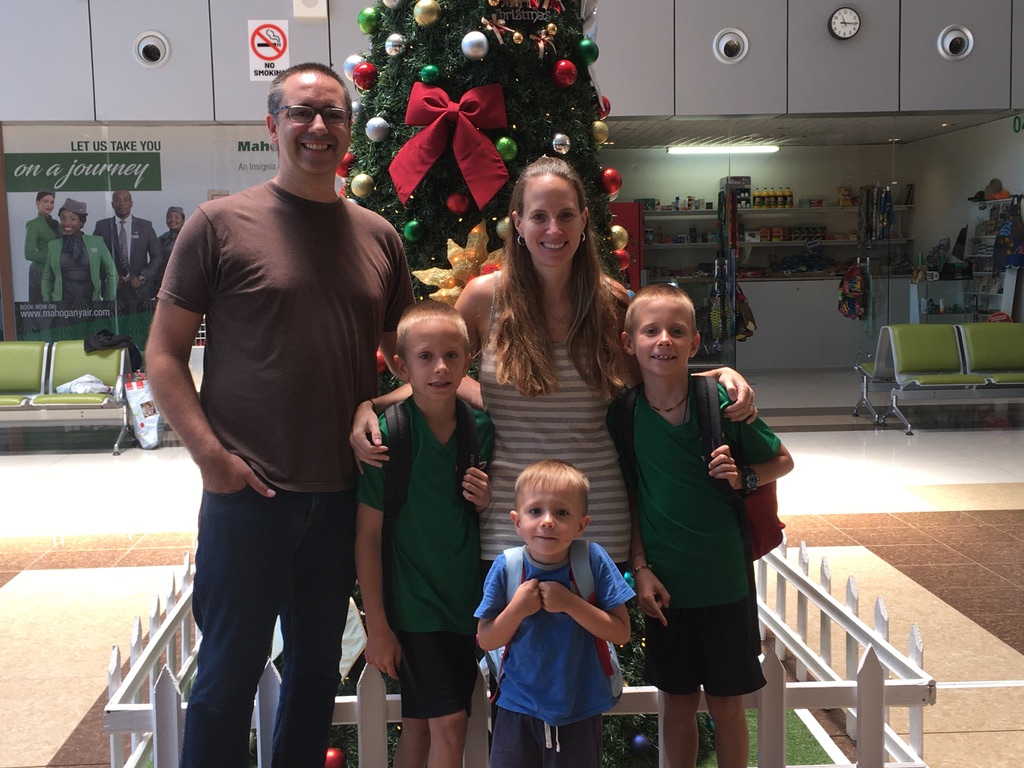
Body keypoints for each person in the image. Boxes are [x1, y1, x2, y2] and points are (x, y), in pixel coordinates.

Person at [145, 61, 414, 768]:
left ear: (349, 130)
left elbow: (413, 360)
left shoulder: (379, 237)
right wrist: (212, 459)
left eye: (333, 114)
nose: (318, 126)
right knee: (226, 678)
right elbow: (163, 355)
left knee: (316, 678)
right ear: (272, 124)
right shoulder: (218, 226)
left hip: (342, 498)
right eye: (301, 112)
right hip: (248, 496)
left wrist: (385, 402)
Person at [352, 156, 757, 567]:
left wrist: (716, 374)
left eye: (565, 215)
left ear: (584, 220)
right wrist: (372, 406)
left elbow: (654, 391)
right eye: (539, 216)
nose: (553, 229)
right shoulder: (482, 299)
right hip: (510, 518)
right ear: (518, 223)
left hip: (598, 516)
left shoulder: (611, 303)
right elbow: (437, 376)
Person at [618, 284, 794, 768]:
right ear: (629, 342)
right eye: (651, 331)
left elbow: (782, 460)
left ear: (695, 343)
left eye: (677, 331)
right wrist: (640, 568)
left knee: (726, 705)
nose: (664, 341)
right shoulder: (625, 413)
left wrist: (744, 478)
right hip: (666, 590)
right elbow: (633, 495)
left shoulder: (720, 401)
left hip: (725, 583)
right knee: (676, 705)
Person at [355, 300, 494, 768]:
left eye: (452, 356)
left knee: (419, 726)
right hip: (415, 607)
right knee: (451, 725)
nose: (440, 368)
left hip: (464, 605)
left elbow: (483, 513)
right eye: (426, 357)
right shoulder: (387, 436)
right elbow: (367, 537)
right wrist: (377, 625)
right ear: (401, 366)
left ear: (468, 361)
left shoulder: (479, 429)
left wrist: (485, 500)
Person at [475, 459, 634, 768]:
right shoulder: (507, 567)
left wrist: (570, 603)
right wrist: (518, 608)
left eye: (561, 513)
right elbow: (487, 639)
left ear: (581, 525)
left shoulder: (593, 561)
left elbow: (621, 632)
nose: (547, 521)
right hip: (516, 708)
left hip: (580, 708)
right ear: (517, 521)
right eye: (535, 511)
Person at [93, 189, 163, 311]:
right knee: (112, 323)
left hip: (141, 290)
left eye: (125, 200)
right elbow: (95, 258)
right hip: (113, 290)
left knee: (143, 323)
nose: (121, 204)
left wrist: (142, 277)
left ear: (131, 203)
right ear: (112, 204)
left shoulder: (145, 226)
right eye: (117, 200)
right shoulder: (102, 226)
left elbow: (157, 256)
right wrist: (110, 279)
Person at [40, 198, 117, 302]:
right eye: (63, 218)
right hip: (61, 305)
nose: (67, 223)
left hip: (92, 305)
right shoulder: (53, 246)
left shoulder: (97, 242)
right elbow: (47, 278)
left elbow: (112, 273)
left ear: (81, 221)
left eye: (72, 219)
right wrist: (49, 303)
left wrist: (107, 301)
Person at [24, 188, 60, 302]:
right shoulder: (33, 224)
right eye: (45, 201)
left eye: (52, 202)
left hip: (57, 273)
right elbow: (29, 254)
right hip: (40, 273)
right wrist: (53, 259)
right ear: (37, 202)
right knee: (40, 308)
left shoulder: (56, 224)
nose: (49, 205)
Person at [156, 205, 186, 293]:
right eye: (169, 217)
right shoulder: (161, 239)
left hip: (184, 283)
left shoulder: (189, 238)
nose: (172, 220)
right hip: (163, 283)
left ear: (183, 220)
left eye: (177, 217)